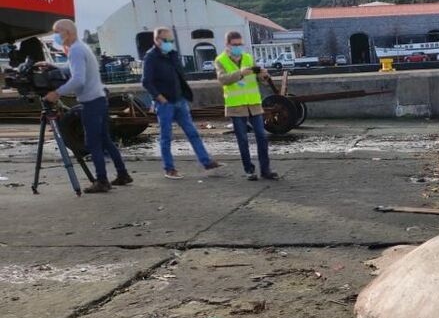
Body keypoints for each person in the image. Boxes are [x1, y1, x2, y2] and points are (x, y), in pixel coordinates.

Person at [44, 19, 131, 193]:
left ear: (68, 32)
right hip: (99, 99)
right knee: (106, 140)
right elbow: (72, 68)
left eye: (57, 32)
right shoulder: (80, 48)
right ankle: (123, 174)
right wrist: (52, 65)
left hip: (91, 103)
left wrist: (57, 93)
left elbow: (78, 79)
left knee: (93, 143)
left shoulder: (76, 50)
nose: (55, 36)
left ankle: (102, 181)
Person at [141, 27, 221, 179]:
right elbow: (146, 81)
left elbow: (179, 75)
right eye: (167, 41)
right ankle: (169, 168)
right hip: (165, 103)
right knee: (166, 137)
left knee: (193, 133)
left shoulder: (172, 54)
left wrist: (183, 94)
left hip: (179, 100)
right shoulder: (151, 58)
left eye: (171, 41)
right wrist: (159, 97)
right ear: (157, 41)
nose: (170, 44)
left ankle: (206, 162)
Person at [214, 32, 278, 180]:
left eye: (240, 44)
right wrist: (240, 73)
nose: (238, 47)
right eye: (235, 45)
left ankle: (265, 170)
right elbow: (223, 79)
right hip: (236, 106)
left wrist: (263, 75)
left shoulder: (248, 58)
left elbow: (258, 79)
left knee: (262, 136)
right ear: (227, 45)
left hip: (254, 104)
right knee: (242, 139)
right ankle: (249, 170)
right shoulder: (220, 60)